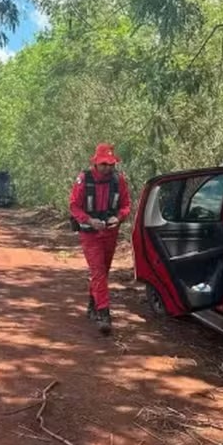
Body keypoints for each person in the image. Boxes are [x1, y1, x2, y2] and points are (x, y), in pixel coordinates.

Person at [69, 143, 132, 334]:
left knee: (103, 271)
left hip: (110, 233)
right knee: (98, 271)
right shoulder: (84, 179)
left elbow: (126, 205)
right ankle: (104, 313)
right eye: (103, 164)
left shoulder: (118, 179)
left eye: (110, 164)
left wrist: (118, 217)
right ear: (95, 163)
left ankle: (92, 305)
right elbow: (74, 206)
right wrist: (89, 220)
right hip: (90, 234)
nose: (107, 168)